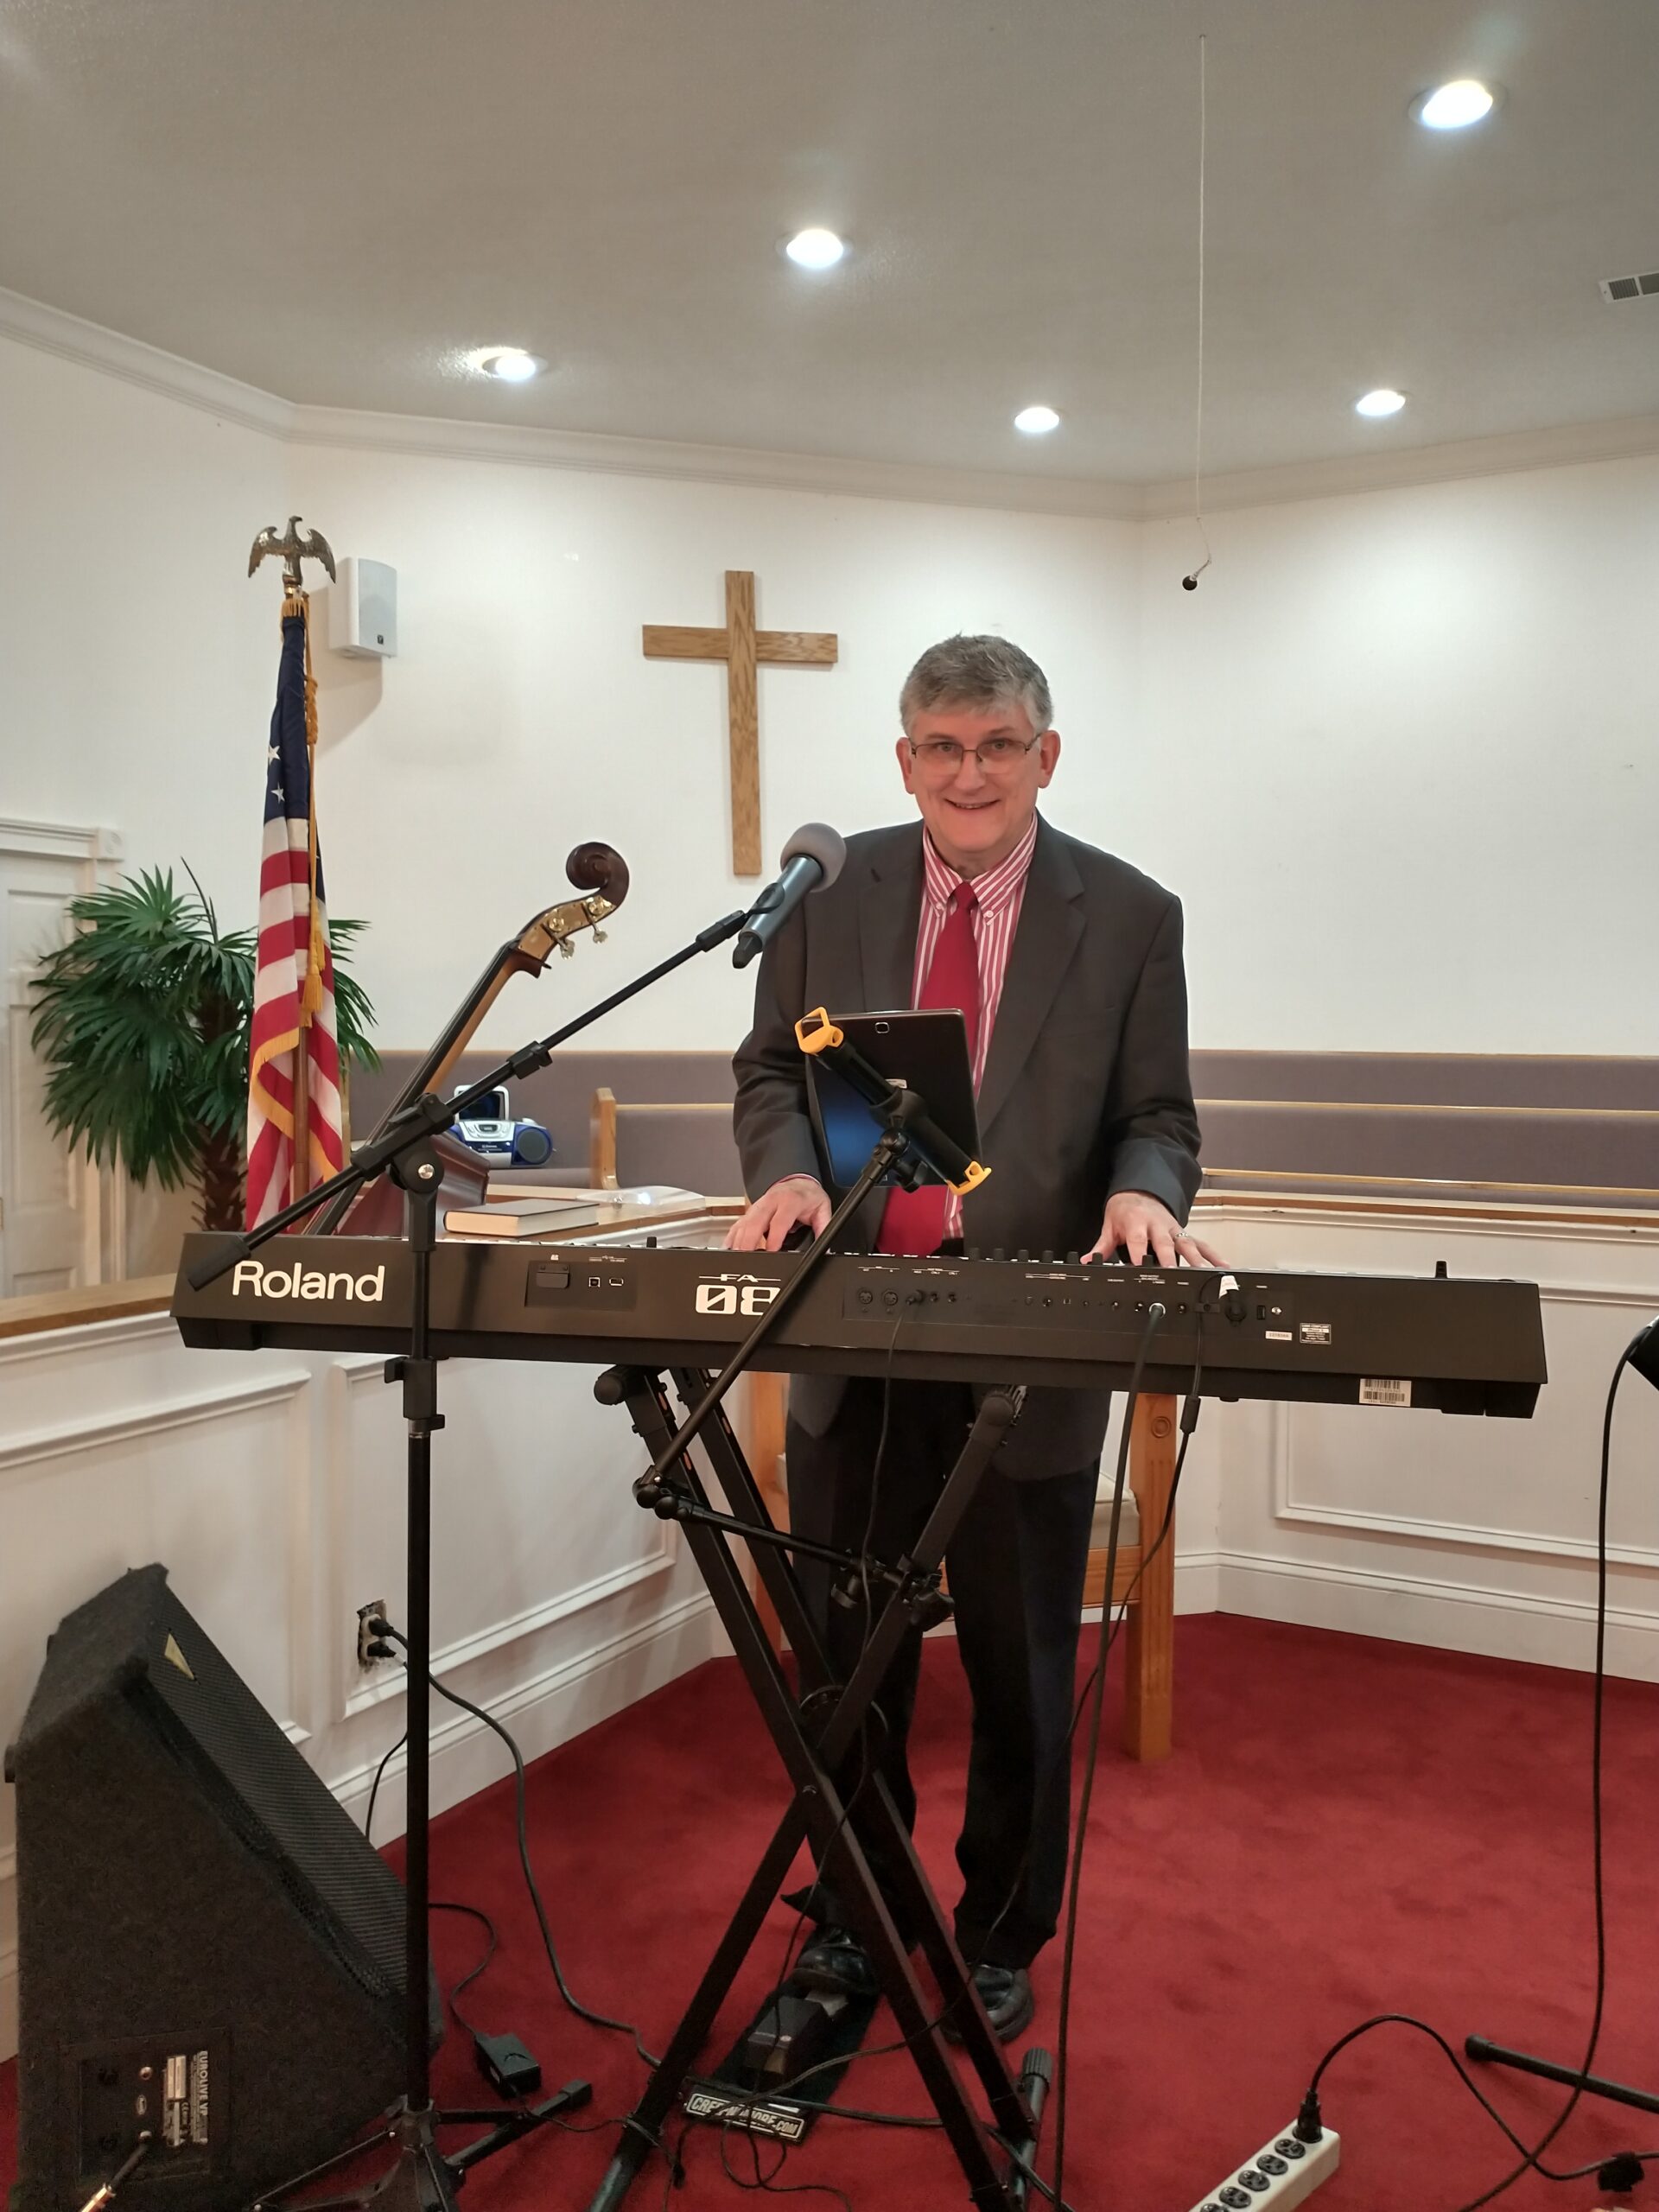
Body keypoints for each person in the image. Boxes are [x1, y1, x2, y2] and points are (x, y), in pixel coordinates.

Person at [728, 633, 1216, 2041]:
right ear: (904, 759)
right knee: (850, 1663)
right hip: (858, 1335)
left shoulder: (1129, 914)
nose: (969, 773)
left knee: (1019, 1674)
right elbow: (769, 1069)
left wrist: (1141, 1191)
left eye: (998, 745)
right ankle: (856, 1925)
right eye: (941, 747)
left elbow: (1160, 1116)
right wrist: (786, 1171)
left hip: (1024, 1352)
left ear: (1044, 754)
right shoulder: (829, 894)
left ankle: (1001, 1935)